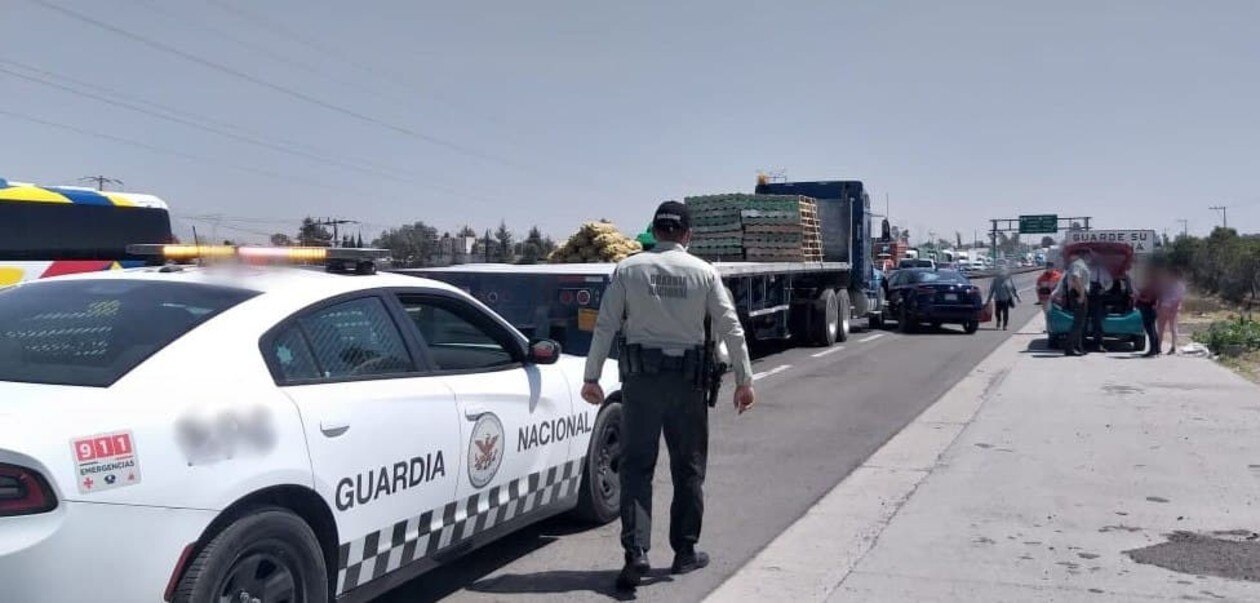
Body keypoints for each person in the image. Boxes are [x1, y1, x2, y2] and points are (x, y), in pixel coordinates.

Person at [581, 201, 756, 590]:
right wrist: (745, 380)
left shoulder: (628, 269)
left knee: (636, 468)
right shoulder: (705, 273)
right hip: (688, 386)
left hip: (641, 384)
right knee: (688, 469)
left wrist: (591, 377)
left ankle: (636, 553)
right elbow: (731, 328)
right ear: (687, 235)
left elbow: (606, 326)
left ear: (655, 232)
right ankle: (685, 552)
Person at [1063, 249, 1091, 356]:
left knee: (1080, 324)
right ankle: (1070, 348)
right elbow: (1076, 279)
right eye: (1090, 255)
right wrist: (1082, 295)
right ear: (1084, 255)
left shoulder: (1080, 264)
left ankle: (1078, 347)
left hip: (1079, 293)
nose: (1091, 257)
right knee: (1077, 323)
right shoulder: (1078, 264)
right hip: (1077, 294)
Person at [1086, 251, 1112, 351]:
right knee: (1083, 320)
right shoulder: (1084, 268)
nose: (1091, 260)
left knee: (1097, 321)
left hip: (1097, 298)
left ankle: (1098, 344)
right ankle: (1081, 343)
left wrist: (1104, 289)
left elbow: (1110, 282)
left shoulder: (1102, 269)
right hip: (1085, 296)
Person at [1157, 266, 1186, 355]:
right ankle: (1158, 347)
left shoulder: (1180, 285)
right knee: (1160, 328)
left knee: (1173, 328)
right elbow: (1161, 295)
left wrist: (1174, 308)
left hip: (1173, 309)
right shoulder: (1166, 284)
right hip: (1164, 307)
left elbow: (1179, 298)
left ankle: (1173, 347)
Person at [1135, 266, 1163, 358]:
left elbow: (1148, 299)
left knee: (1151, 331)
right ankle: (1156, 349)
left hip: (1149, 310)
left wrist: (1138, 297)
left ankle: (1153, 350)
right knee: (1152, 330)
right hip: (1150, 309)